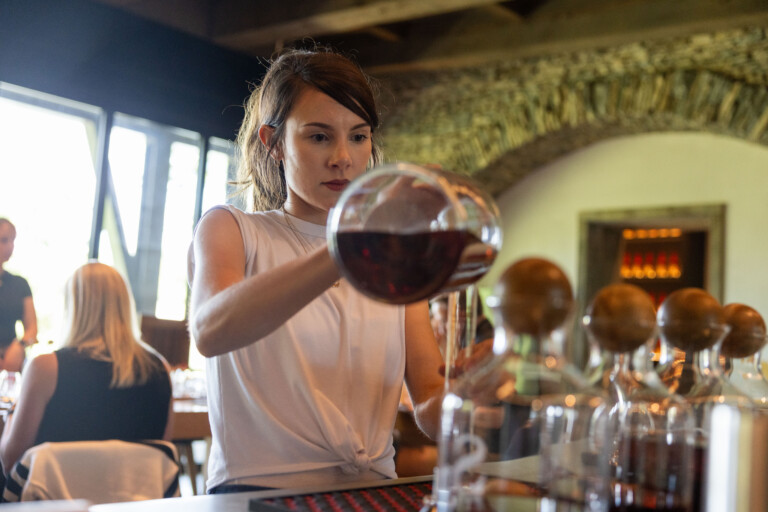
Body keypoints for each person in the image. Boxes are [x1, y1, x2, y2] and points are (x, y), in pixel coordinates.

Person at [187, 47, 446, 493]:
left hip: (369, 492)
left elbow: (429, 400)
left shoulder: (397, 257)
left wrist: (475, 400)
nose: (342, 157)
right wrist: (347, 250)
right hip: (257, 494)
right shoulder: (232, 229)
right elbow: (210, 330)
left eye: (359, 136)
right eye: (319, 137)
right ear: (274, 144)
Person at [0, 262, 173, 474]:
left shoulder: (46, 367)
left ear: (73, 306)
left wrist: (12, 413)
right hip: (132, 502)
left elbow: (9, 460)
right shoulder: (159, 368)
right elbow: (161, 456)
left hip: (56, 503)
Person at [0, 219, 38, 372]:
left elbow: (32, 328)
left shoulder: (19, 283)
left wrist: (20, 345)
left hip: (12, 362)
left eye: (12, 240)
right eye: (3, 240)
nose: (10, 246)